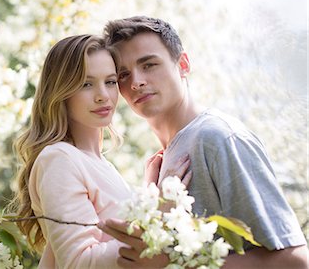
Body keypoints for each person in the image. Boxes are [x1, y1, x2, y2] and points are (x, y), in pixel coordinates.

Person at [98, 16, 308, 269]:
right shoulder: (162, 162)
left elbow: (294, 261)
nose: (136, 81)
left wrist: (173, 265)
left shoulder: (217, 138)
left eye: (149, 65)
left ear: (183, 64)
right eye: (123, 74)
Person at [13, 34, 190, 268]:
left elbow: (113, 229)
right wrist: (157, 216)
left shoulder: (100, 164)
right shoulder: (59, 159)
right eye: (86, 84)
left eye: (110, 81)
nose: (103, 96)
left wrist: (148, 194)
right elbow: (79, 262)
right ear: (61, 91)